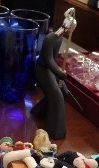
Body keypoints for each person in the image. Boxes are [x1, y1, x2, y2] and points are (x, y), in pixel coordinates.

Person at [30, 8, 77, 140]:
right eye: (70, 29)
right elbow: (48, 59)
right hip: (42, 70)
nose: (70, 32)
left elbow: (55, 60)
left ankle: (39, 111)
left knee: (64, 92)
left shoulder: (60, 39)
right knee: (57, 96)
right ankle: (54, 131)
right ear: (66, 26)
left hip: (51, 70)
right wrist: (58, 71)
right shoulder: (51, 38)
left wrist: (58, 73)